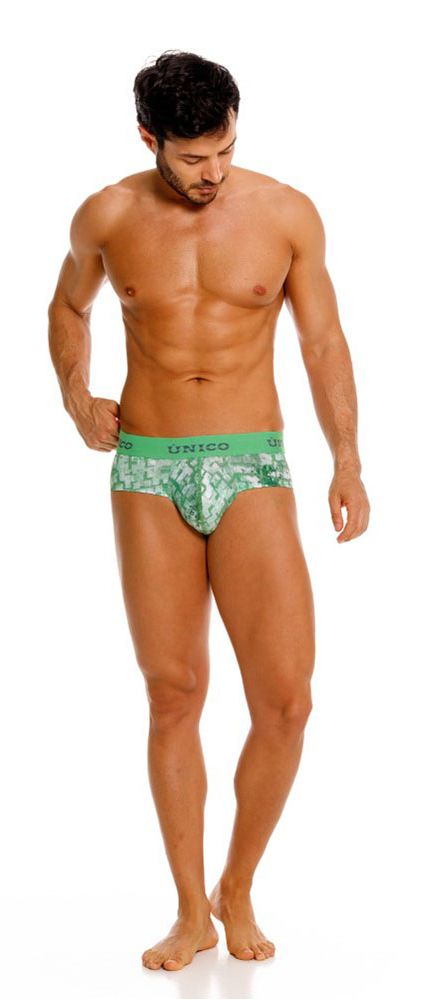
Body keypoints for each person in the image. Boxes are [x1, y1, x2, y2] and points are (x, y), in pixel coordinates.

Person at [48, 49, 370, 973]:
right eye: (191, 157)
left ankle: (238, 883)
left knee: (288, 700)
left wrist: (347, 458)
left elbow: (322, 339)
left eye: (224, 149)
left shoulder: (286, 213)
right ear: (147, 138)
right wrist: (76, 398)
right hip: (149, 468)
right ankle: (191, 911)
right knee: (174, 694)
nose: (212, 172)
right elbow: (68, 307)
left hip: (251, 461)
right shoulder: (106, 215)